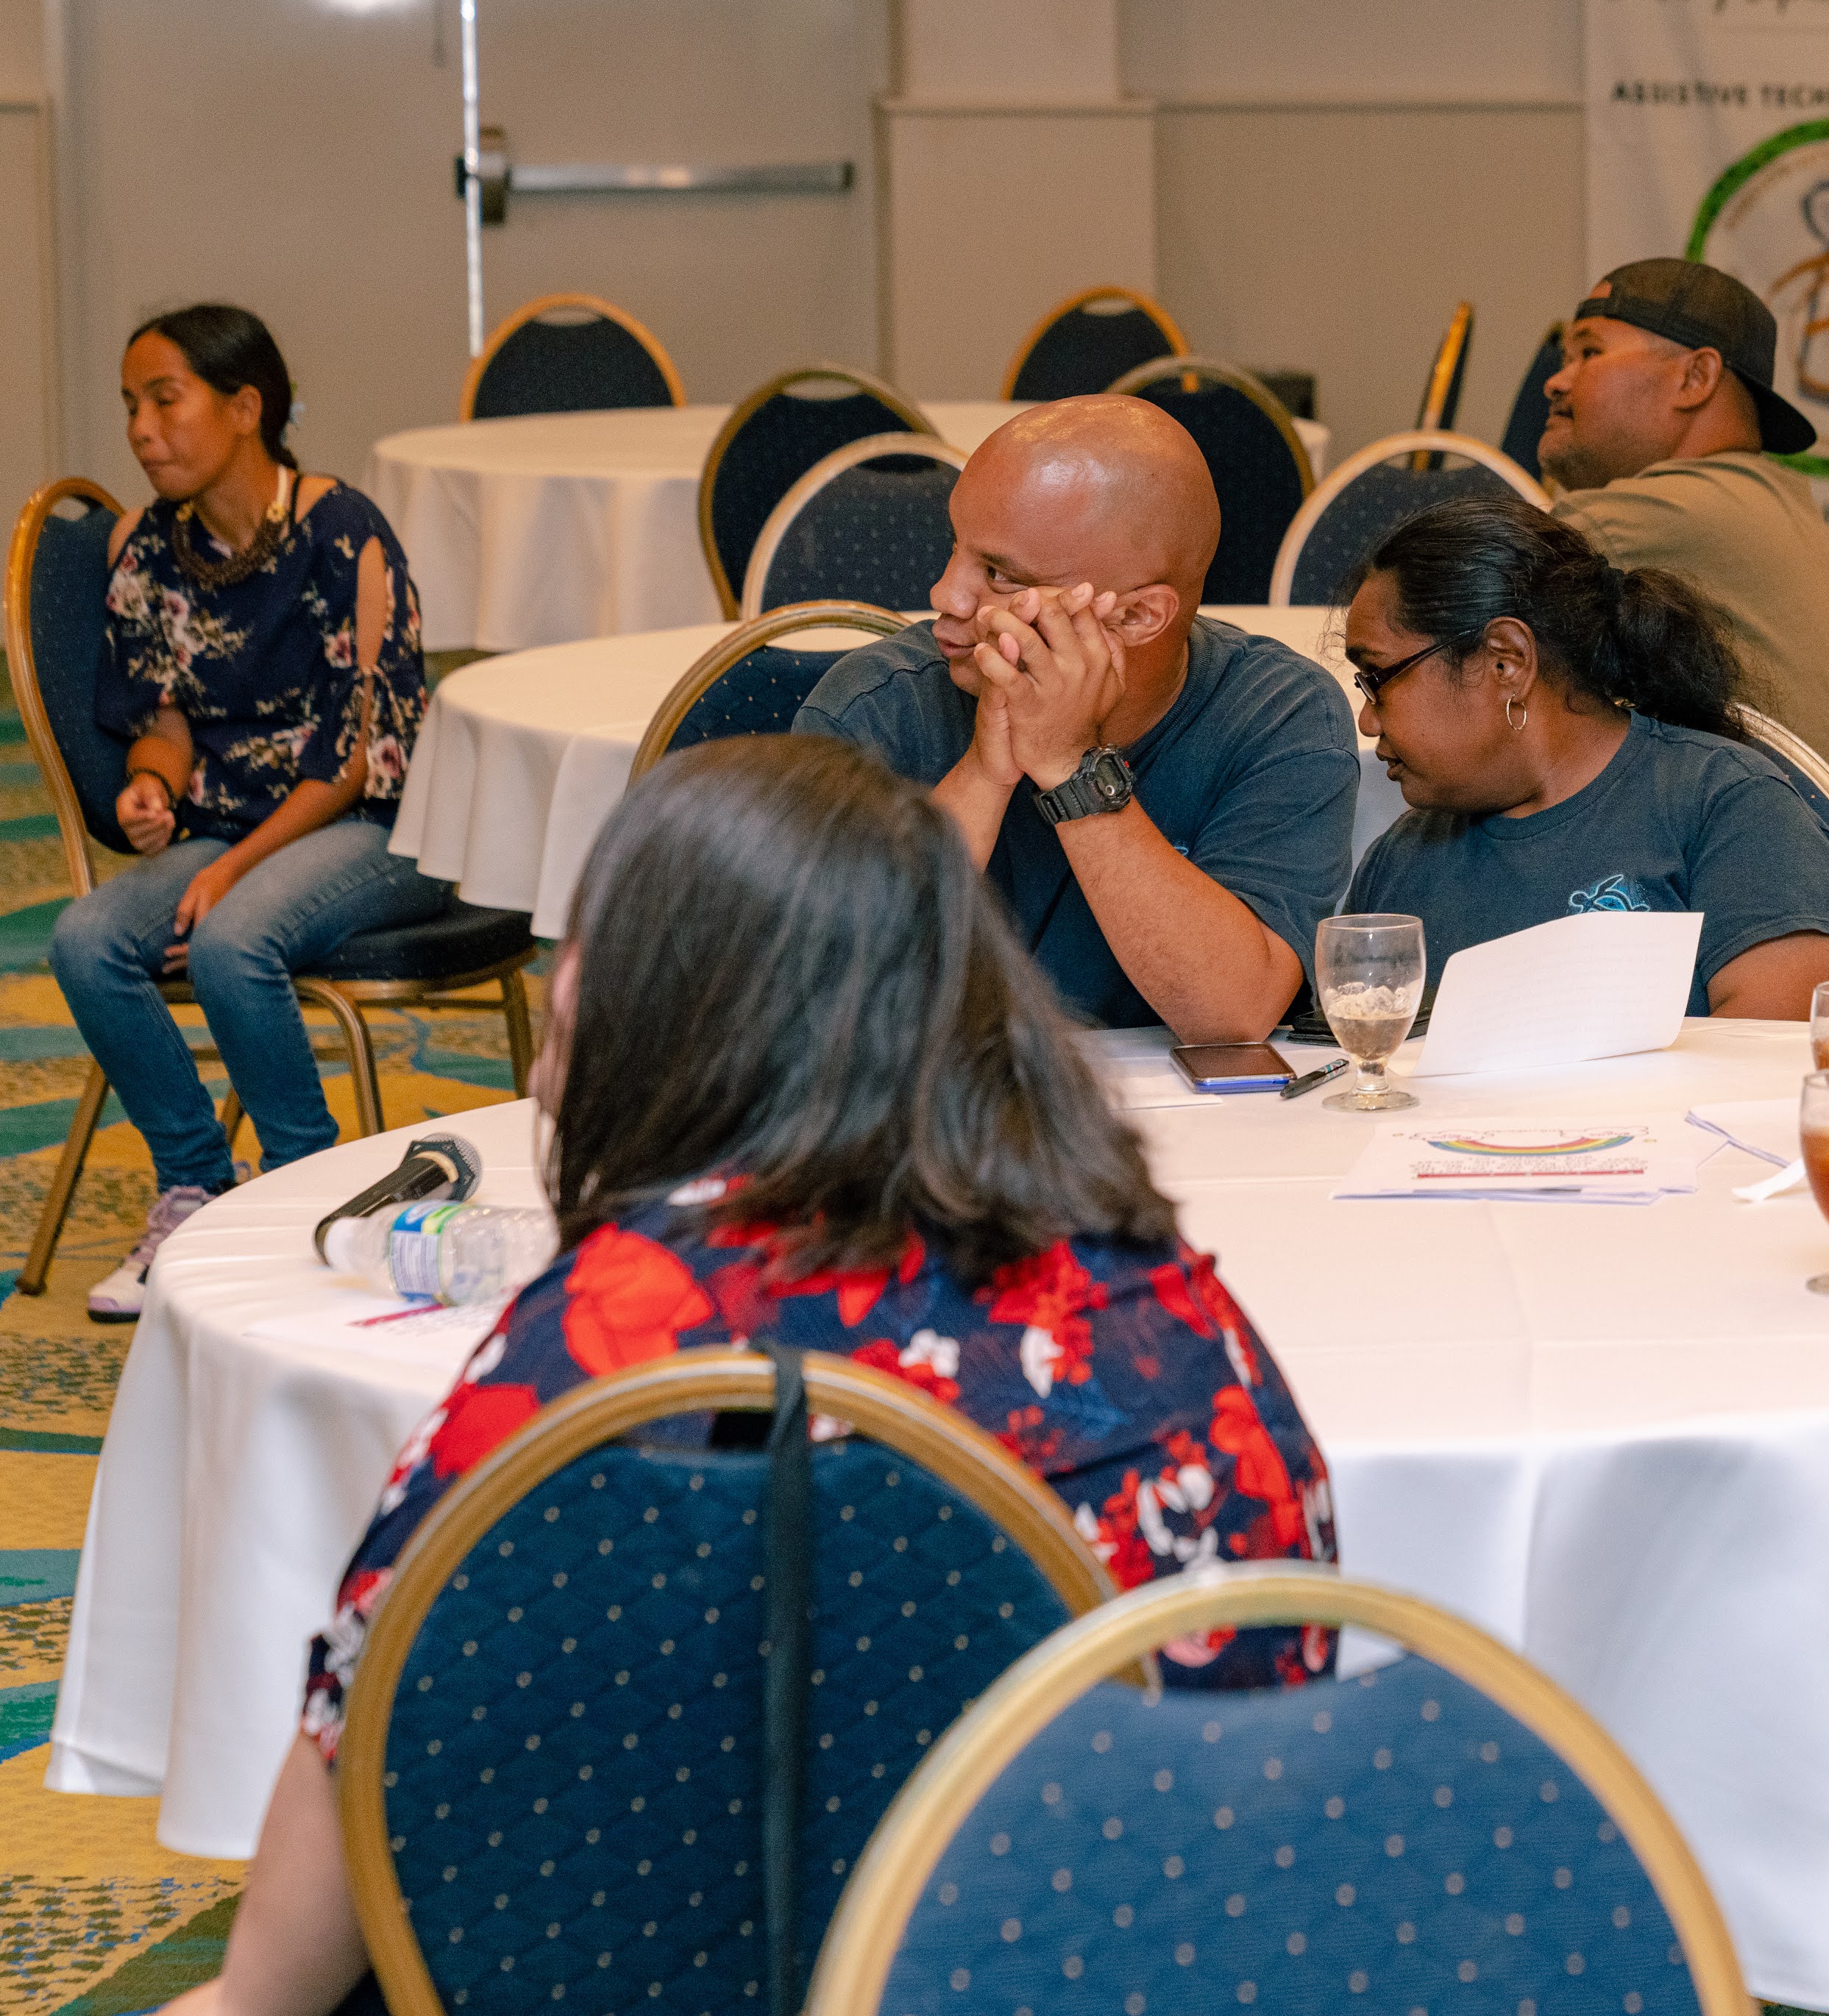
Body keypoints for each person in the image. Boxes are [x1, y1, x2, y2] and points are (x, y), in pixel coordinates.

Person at [175, 734, 1338, 2016]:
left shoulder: (623, 1331)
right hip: (1124, 1964)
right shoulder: (1157, 1296)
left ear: (657, 1005)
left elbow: (386, 1699)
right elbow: (1285, 1705)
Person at [54, 305, 461, 1321]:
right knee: (86, 936)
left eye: (165, 399)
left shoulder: (343, 530)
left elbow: (359, 753)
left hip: (377, 824)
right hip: (229, 830)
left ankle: (305, 1195)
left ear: (245, 408)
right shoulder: (154, 548)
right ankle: (197, 1188)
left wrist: (227, 869)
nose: (143, 429)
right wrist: (151, 784)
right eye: (130, 406)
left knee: (236, 939)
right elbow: (167, 719)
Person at [800, 395, 1355, 1039]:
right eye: (956, 547)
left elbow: (1233, 1014)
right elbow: (829, 994)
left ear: (1138, 616)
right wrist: (986, 772)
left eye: (1000, 574)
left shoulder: (1281, 717)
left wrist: (1073, 768)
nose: (945, 595)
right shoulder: (871, 708)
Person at [1341, 496, 1829, 1018]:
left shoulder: (1728, 806)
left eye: (1379, 679)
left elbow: (1774, 1062)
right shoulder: (1400, 862)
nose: (1367, 720)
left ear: (1507, 661)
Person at [1541, 257, 1829, 809]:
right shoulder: (1754, 500)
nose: (1555, 381)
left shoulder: (1673, 514)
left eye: (1590, 352)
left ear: (1695, 378)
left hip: (1747, 876)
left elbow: (1448, 585)